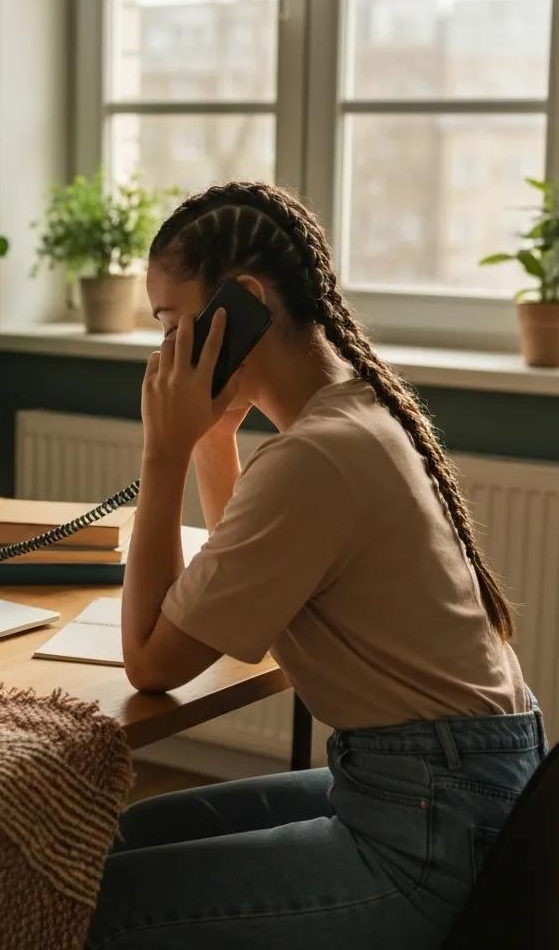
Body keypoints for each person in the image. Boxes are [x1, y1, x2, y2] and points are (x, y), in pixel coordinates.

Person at [87, 182, 546, 949]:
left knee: (103, 908)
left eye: (171, 322)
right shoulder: (355, 410)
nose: (164, 353)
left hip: (426, 827)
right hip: (451, 785)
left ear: (244, 304)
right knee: (128, 840)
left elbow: (151, 662)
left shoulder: (317, 457)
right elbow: (243, 587)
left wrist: (161, 455)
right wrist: (208, 442)